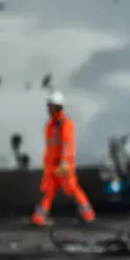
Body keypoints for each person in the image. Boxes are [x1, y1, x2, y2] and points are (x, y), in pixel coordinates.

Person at [33, 91, 96, 226]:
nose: (49, 109)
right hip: (52, 166)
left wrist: (64, 162)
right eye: (49, 106)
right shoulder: (50, 125)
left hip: (63, 165)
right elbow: (50, 147)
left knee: (71, 189)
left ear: (58, 107)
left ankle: (87, 215)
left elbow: (68, 144)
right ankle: (39, 218)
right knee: (47, 191)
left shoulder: (65, 123)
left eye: (51, 106)